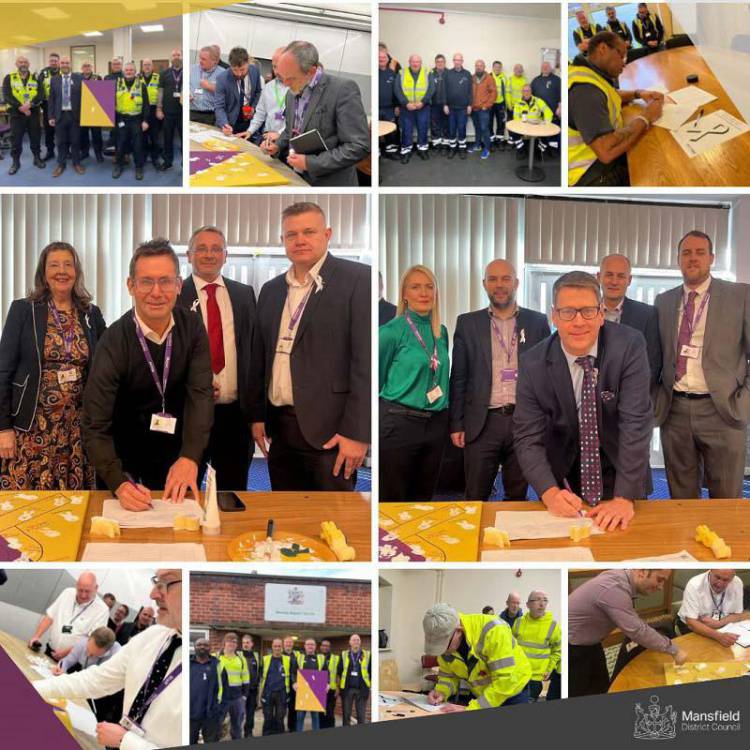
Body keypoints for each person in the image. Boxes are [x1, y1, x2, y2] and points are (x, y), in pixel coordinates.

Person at [513, 271, 653, 531]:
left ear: (601, 314)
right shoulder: (533, 363)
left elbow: (636, 425)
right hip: (565, 474)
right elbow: (527, 438)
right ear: (554, 316)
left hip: (622, 469)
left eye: (588, 311)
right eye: (567, 312)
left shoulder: (630, 346)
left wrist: (624, 498)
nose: (578, 322)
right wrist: (550, 493)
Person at [82, 239, 214, 510]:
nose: (156, 292)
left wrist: (190, 457)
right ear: (131, 286)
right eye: (146, 282)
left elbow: (200, 397)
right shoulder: (113, 341)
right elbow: (95, 424)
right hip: (120, 455)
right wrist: (118, 481)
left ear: (179, 285)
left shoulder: (193, 329)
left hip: (177, 451)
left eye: (165, 281)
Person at [250, 202, 370, 491]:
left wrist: (357, 433)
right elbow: (260, 359)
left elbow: (365, 362)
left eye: (309, 232)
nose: (299, 240)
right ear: (282, 241)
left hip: (332, 431)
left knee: (332, 523)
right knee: (288, 516)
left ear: (327, 234)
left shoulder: (357, 280)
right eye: (291, 235)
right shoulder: (271, 290)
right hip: (280, 428)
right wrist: (257, 416)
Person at [34, 569, 183, 750]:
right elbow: (95, 680)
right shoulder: (151, 637)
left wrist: (126, 741)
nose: (153, 594)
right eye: (156, 583)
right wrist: (32, 690)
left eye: (165, 583)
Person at [0, 243, 106, 490]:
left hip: (76, 429)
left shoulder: (91, 313)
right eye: (54, 265)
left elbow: (108, 359)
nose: (62, 271)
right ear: (43, 273)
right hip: (31, 426)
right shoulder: (24, 310)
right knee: (25, 505)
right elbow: (3, 371)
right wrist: (3, 428)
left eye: (68, 264)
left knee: (72, 505)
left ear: (76, 271)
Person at [654, 230, 750, 499]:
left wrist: (744, 401)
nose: (692, 258)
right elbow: (654, 359)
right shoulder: (664, 301)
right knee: (681, 497)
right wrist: (657, 399)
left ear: (712, 258)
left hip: (723, 410)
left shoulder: (740, 296)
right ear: (678, 259)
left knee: (726, 497)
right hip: (675, 411)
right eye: (686, 253)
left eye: (699, 252)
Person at [450, 259, 550, 502]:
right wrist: (456, 424)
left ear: (516, 283)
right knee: (475, 496)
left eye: (506, 278)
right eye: (493, 279)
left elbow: (548, 376)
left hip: (524, 422)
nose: (499, 284)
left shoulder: (537, 323)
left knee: (517, 496)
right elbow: (459, 376)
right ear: (485, 284)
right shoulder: (467, 323)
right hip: (482, 423)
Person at [177, 226, 256, 491]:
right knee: (184, 496)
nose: (209, 255)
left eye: (216, 249)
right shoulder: (174, 297)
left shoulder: (245, 295)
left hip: (235, 417)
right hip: (189, 415)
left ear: (226, 255)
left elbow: (254, 352)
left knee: (232, 494)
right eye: (201, 248)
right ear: (188, 255)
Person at [379, 265, 449, 502]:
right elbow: (374, 383)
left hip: (436, 423)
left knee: (424, 499)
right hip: (399, 423)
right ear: (404, 295)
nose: (424, 293)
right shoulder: (390, 332)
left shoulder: (441, 332)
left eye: (429, 287)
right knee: (394, 499)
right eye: (416, 287)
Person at [261, 41, 370, 186]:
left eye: (291, 78)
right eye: (281, 77)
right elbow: (290, 130)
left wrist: (311, 163)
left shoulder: (342, 90)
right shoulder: (291, 93)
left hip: (330, 184)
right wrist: (278, 146)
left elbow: (358, 146)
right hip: (298, 177)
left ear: (311, 71)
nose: (285, 84)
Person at [568, 569, 687, 697]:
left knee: (601, 686)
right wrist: (674, 650)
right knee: (577, 693)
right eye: (659, 580)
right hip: (572, 647)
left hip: (591, 642)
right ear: (642, 571)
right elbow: (636, 630)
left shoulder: (620, 577)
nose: (661, 588)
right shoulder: (613, 588)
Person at [568, 32, 665, 187]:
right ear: (603, 48)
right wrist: (646, 117)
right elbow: (606, 152)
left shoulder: (587, 73)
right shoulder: (585, 90)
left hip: (597, 161)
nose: (624, 63)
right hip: (590, 174)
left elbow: (610, 94)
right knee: (657, 168)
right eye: (621, 56)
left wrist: (638, 93)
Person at [424, 605, 531, 709]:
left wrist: (473, 708)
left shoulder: (494, 631)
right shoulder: (447, 644)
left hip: (513, 693)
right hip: (484, 694)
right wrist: (442, 691)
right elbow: (448, 675)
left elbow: (505, 680)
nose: (443, 652)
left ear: (458, 631)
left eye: (444, 645)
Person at [597, 253, 661, 386]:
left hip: (631, 397)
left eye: (621, 276)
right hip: (590, 397)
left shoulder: (647, 315)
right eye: (609, 275)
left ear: (629, 280)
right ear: (599, 277)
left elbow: (653, 365)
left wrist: (632, 397)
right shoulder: (585, 313)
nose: (614, 281)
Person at [27, 572, 109, 661]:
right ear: (76, 586)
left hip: (71, 661)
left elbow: (91, 641)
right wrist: (36, 636)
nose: (83, 595)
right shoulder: (67, 593)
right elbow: (50, 617)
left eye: (87, 591)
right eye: (80, 590)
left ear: (96, 588)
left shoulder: (102, 610)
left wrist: (66, 653)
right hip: (49, 651)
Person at [511, 591, 561, 702]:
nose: (542, 604)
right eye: (537, 599)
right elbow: (511, 647)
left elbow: (557, 650)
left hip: (536, 678)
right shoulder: (518, 622)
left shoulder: (553, 626)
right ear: (528, 604)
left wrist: (549, 669)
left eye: (545, 600)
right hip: (517, 674)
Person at [676, 570, 748, 643]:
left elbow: (737, 615)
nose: (720, 583)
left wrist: (718, 623)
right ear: (710, 571)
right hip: (691, 629)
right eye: (717, 577)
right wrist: (719, 636)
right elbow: (691, 623)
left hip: (721, 627)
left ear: (732, 578)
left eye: (725, 580)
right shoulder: (694, 584)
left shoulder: (737, 583)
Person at [2, 55, 45, 175]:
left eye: (25, 62)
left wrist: (29, 105)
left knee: (35, 137)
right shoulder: (9, 78)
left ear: (29, 64)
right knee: (16, 139)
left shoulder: (36, 78)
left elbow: (40, 94)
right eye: (20, 62)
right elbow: (7, 95)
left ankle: (37, 158)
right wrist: (20, 107)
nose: (23, 64)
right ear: (16, 64)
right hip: (16, 113)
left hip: (33, 112)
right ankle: (16, 162)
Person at [241, 47, 288, 145]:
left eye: (278, 67)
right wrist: (250, 131)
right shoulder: (269, 87)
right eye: (274, 67)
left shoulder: (298, 89)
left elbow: (298, 122)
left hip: (287, 140)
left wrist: (279, 134)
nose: (275, 71)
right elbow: (260, 113)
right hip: (267, 136)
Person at [48, 55, 85, 177]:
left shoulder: (79, 78)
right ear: (59, 64)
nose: (65, 65)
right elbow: (52, 99)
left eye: (67, 63)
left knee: (75, 141)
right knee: (61, 142)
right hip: (60, 116)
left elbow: (86, 97)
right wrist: (51, 116)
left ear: (71, 64)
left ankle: (76, 163)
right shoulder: (54, 79)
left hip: (74, 116)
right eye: (62, 63)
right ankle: (61, 164)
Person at [394, 54, 434, 164]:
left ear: (421, 62)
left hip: (423, 107)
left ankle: (422, 150)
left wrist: (423, 102)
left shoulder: (427, 72)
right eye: (413, 61)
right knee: (406, 129)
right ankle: (406, 151)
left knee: (423, 128)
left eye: (417, 62)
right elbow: (397, 89)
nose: (415, 64)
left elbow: (431, 89)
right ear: (409, 62)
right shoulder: (402, 73)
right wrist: (405, 103)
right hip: (407, 108)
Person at [215, 47, 263, 138]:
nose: (239, 74)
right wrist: (224, 124)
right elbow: (219, 106)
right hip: (230, 123)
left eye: (242, 70)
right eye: (235, 70)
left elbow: (258, 92)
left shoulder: (254, 71)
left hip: (248, 121)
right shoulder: (222, 79)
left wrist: (253, 108)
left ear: (248, 63)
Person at [113, 62, 149, 180]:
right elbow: (109, 101)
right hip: (121, 118)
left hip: (136, 119)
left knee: (138, 145)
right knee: (120, 143)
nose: (129, 72)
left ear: (135, 71)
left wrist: (145, 120)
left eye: (131, 70)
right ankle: (119, 165)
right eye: (127, 70)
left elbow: (146, 105)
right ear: (124, 71)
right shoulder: (117, 84)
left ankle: (139, 167)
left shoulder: (141, 85)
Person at [190, 638, 225, 744]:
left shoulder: (218, 665)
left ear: (210, 648)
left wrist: (220, 708)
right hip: (191, 712)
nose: (202, 647)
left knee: (211, 741)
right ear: (195, 647)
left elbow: (225, 689)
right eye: (199, 645)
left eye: (205, 645)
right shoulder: (187, 664)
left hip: (211, 713)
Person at [217, 632, 250, 740]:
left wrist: (244, 696)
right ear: (224, 643)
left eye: (234, 642)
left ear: (237, 645)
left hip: (237, 697)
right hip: (220, 697)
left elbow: (245, 678)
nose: (232, 644)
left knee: (237, 726)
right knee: (217, 725)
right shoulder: (215, 657)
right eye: (229, 641)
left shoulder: (241, 659)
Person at [53, 627, 121, 675]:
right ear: (89, 638)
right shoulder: (83, 643)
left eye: (93, 654)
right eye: (88, 649)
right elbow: (67, 661)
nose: (88, 654)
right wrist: (60, 668)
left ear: (106, 651)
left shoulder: (116, 656)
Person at [157, 49, 183, 172]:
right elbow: (160, 92)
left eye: (178, 55)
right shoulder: (164, 73)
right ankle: (168, 162)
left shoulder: (187, 72)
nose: (176, 57)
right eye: (174, 55)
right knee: (168, 139)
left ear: (181, 56)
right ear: (171, 58)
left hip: (183, 113)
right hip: (167, 112)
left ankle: (185, 163)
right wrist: (159, 108)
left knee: (184, 140)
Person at [443, 53, 472, 160]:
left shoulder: (467, 74)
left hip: (463, 108)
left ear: (462, 61)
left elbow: (470, 91)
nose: (457, 62)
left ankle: (462, 149)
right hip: (450, 107)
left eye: (459, 60)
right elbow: (444, 91)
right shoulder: (448, 74)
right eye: (455, 60)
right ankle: (452, 148)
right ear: (453, 61)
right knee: (451, 129)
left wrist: (469, 105)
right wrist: (445, 104)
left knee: (462, 128)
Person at [512, 84, 553, 160]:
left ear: (531, 91)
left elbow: (548, 112)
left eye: (528, 90)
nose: (526, 92)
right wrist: (522, 125)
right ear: (522, 92)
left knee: (547, 133)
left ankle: (540, 150)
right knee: (513, 132)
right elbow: (516, 118)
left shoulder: (538, 101)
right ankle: (521, 150)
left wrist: (546, 123)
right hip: (523, 126)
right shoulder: (518, 103)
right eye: (524, 91)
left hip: (537, 126)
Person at [261, 638, 291, 735]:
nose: (277, 648)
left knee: (280, 717)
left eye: (279, 646)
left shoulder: (288, 659)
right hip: (268, 692)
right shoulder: (265, 659)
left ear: (282, 647)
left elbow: (293, 675)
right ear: (272, 647)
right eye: (275, 646)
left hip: (282, 693)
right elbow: (261, 676)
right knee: (268, 716)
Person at [294, 638, 325, 731]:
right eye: (308, 644)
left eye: (312, 644)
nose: (310, 646)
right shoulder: (299, 658)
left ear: (315, 646)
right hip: (302, 690)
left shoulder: (320, 658)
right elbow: (293, 672)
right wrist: (294, 682)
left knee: (315, 717)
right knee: (300, 717)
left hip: (316, 690)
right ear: (305, 646)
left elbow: (326, 671)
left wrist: (326, 683)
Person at [338, 634, 369, 725]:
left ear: (360, 642)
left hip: (362, 689)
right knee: (346, 715)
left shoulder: (367, 655)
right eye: (354, 640)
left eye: (358, 640)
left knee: (361, 715)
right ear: (350, 642)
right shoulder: (344, 655)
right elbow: (339, 671)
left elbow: (371, 671)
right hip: (348, 689)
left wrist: (369, 688)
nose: (356, 642)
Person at [531, 62, 561, 153]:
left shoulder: (557, 80)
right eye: (543, 66)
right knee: (541, 131)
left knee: (553, 132)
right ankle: (541, 149)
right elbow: (531, 96)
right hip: (539, 113)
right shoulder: (535, 80)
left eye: (547, 66)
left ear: (550, 68)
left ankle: (552, 150)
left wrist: (560, 107)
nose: (545, 68)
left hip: (553, 112)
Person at [469, 59, 495, 160]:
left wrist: (487, 105)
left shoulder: (489, 78)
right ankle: (477, 145)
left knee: (484, 129)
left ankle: (487, 148)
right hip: (474, 109)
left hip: (484, 109)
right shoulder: (472, 77)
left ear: (484, 67)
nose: (478, 67)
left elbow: (493, 93)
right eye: (477, 65)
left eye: (480, 65)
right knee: (477, 128)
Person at [190, 46, 222, 125]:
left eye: (204, 59)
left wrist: (212, 87)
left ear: (214, 61)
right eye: (200, 58)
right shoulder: (192, 69)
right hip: (192, 112)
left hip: (210, 115)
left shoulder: (223, 74)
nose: (200, 61)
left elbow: (228, 93)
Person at [139, 59, 162, 169]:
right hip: (142, 110)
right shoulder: (138, 78)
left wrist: (159, 108)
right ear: (142, 67)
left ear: (152, 66)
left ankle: (155, 158)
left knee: (154, 136)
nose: (147, 66)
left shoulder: (158, 77)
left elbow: (161, 94)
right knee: (142, 136)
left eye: (149, 65)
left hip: (153, 110)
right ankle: (142, 156)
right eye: (145, 65)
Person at [79, 61, 104, 163]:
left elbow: (103, 93)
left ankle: (98, 153)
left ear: (92, 67)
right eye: (84, 66)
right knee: (83, 134)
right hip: (82, 110)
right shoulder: (77, 77)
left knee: (97, 134)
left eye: (88, 66)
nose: (87, 68)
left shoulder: (97, 78)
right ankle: (85, 152)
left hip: (95, 111)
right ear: (82, 68)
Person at [38, 52, 61, 161]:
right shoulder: (43, 73)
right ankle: (50, 151)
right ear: (49, 61)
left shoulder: (64, 71)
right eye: (51, 60)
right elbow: (39, 89)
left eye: (55, 61)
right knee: (49, 131)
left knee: (62, 130)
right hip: (48, 106)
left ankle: (65, 151)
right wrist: (42, 105)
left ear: (59, 62)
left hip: (62, 106)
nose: (53, 62)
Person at [241, 634, 261, 738]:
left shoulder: (256, 656)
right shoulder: (238, 655)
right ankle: (236, 733)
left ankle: (248, 733)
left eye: (247, 643)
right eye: (244, 643)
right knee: (238, 714)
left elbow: (259, 672)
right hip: (240, 691)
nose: (245, 645)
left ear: (252, 644)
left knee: (250, 714)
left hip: (252, 690)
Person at [429, 54, 449, 154]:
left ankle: (445, 145)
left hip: (446, 105)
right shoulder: (430, 73)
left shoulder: (449, 73)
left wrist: (447, 103)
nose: (440, 63)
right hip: (434, 104)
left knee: (446, 125)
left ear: (445, 63)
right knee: (434, 125)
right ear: (435, 63)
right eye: (438, 62)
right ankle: (436, 145)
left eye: (442, 62)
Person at [319, 638, 339, 729]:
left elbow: (340, 674)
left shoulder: (336, 658)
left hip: (332, 689)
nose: (325, 647)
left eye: (327, 646)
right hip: (318, 689)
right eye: (323, 645)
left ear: (330, 647)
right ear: (320, 647)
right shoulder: (316, 657)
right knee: (320, 711)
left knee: (330, 711)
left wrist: (338, 688)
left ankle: (330, 727)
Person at [283, 636, 300, 732]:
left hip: (294, 686)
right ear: (283, 644)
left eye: (290, 642)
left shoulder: (297, 655)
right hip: (282, 686)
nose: (288, 644)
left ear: (292, 644)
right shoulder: (279, 654)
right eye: (286, 642)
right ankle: (279, 728)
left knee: (293, 709)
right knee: (280, 709)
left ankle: (291, 727)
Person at [489, 61, 508, 151]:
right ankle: (491, 141)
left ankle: (499, 141)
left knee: (501, 123)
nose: (497, 68)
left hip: (501, 103)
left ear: (501, 68)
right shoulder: (488, 76)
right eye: (495, 67)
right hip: (490, 104)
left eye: (499, 67)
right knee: (489, 123)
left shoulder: (504, 78)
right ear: (493, 67)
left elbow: (507, 92)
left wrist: (506, 104)